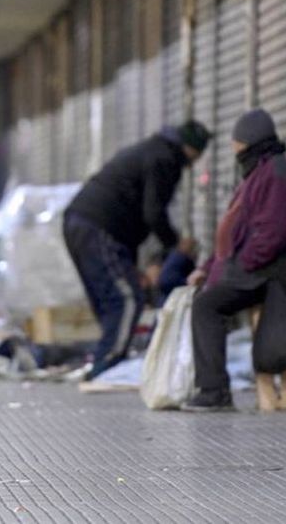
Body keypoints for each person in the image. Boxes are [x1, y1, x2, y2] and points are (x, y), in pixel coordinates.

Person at [64, 121, 212, 381]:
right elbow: (153, 213)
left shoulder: (153, 150)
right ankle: (106, 367)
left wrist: (135, 265)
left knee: (110, 300)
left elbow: (136, 217)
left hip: (81, 223)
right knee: (127, 299)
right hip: (98, 227)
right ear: (192, 149)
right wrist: (174, 244)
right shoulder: (166, 159)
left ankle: (106, 359)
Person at [182, 109, 286, 411]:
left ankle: (214, 392)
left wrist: (239, 267)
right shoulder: (258, 173)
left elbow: (271, 236)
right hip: (250, 268)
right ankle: (210, 387)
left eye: (237, 144)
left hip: (267, 272)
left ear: (250, 143)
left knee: (206, 305)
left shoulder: (275, 174)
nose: (235, 151)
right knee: (204, 297)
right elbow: (233, 234)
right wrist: (208, 268)